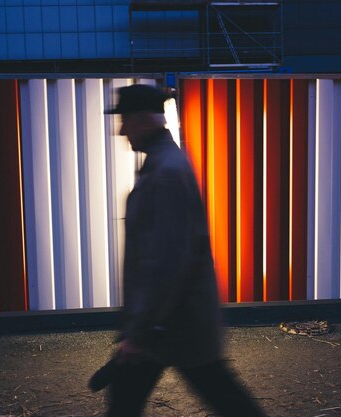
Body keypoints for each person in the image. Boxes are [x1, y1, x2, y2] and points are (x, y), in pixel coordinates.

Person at [103, 84, 268, 417]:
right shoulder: (164, 163)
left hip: (171, 324)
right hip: (176, 322)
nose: (121, 130)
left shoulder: (165, 172)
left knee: (219, 395)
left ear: (145, 120)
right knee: (219, 394)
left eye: (126, 120)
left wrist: (141, 329)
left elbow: (166, 261)